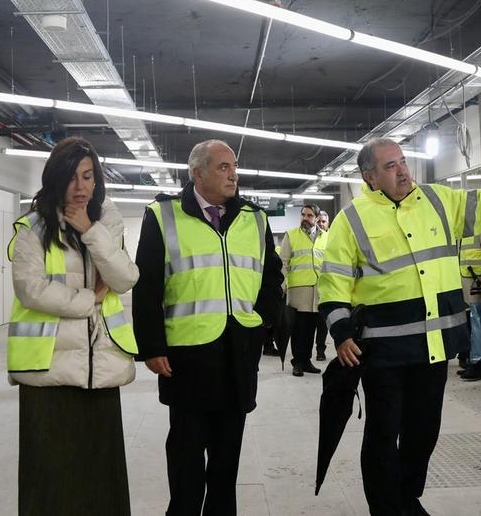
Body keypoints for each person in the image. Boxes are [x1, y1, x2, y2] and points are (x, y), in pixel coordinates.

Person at [319, 137, 481, 516]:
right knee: (383, 434)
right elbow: (334, 281)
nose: (403, 170)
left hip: (434, 345)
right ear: (369, 176)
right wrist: (341, 333)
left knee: (424, 432)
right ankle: (387, 507)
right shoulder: (352, 219)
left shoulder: (439, 200)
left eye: (403, 162)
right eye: (390, 166)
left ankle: (407, 496)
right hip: (383, 349)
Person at [133, 139, 283, 515]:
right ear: (197, 172)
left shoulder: (255, 217)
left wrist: (262, 322)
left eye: (234, 166)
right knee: (186, 458)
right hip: (186, 358)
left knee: (226, 459)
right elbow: (146, 284)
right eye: (223, 167)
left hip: (238, 354)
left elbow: (271, 275)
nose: (234, 174)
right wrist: (151, 346)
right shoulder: (163, 215)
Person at [6, 137, 139, 514]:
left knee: (100, 476)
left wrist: (89, 230)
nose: (80, 187)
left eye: (88, 176)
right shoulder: (33, 227)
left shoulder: (107, 222)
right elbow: (30, 289)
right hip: (48, 369)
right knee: (49, 478)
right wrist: (90, 300)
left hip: (100, 368)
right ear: (55, 179)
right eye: (71, 177)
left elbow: (126, 277)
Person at [280, 204, 325, 376]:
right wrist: (282, 286)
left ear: (316, 217)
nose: (305, 218)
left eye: (309, 215)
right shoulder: (291, 235)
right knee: (298, 328)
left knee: (311, 328)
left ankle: (306, 361)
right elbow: (283, 263)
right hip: (299, 290)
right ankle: (297, 362)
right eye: (303, 215)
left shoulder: (325, 237)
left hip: (318, 291)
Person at [456, 233, 481, 381]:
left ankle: (479, 365)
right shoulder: (462, 227)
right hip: (464, 282)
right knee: (470, 324)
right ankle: (472, 361)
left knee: (477, 326)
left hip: (476, 283)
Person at [315, 210, 332, 361]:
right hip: (309, 286)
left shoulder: (332, 238)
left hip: (326, 287)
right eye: (319, 221)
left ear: (328, 223)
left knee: (322, 323)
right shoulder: (312, 239)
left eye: (323, 221)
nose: (321, 224)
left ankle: (321, 350)